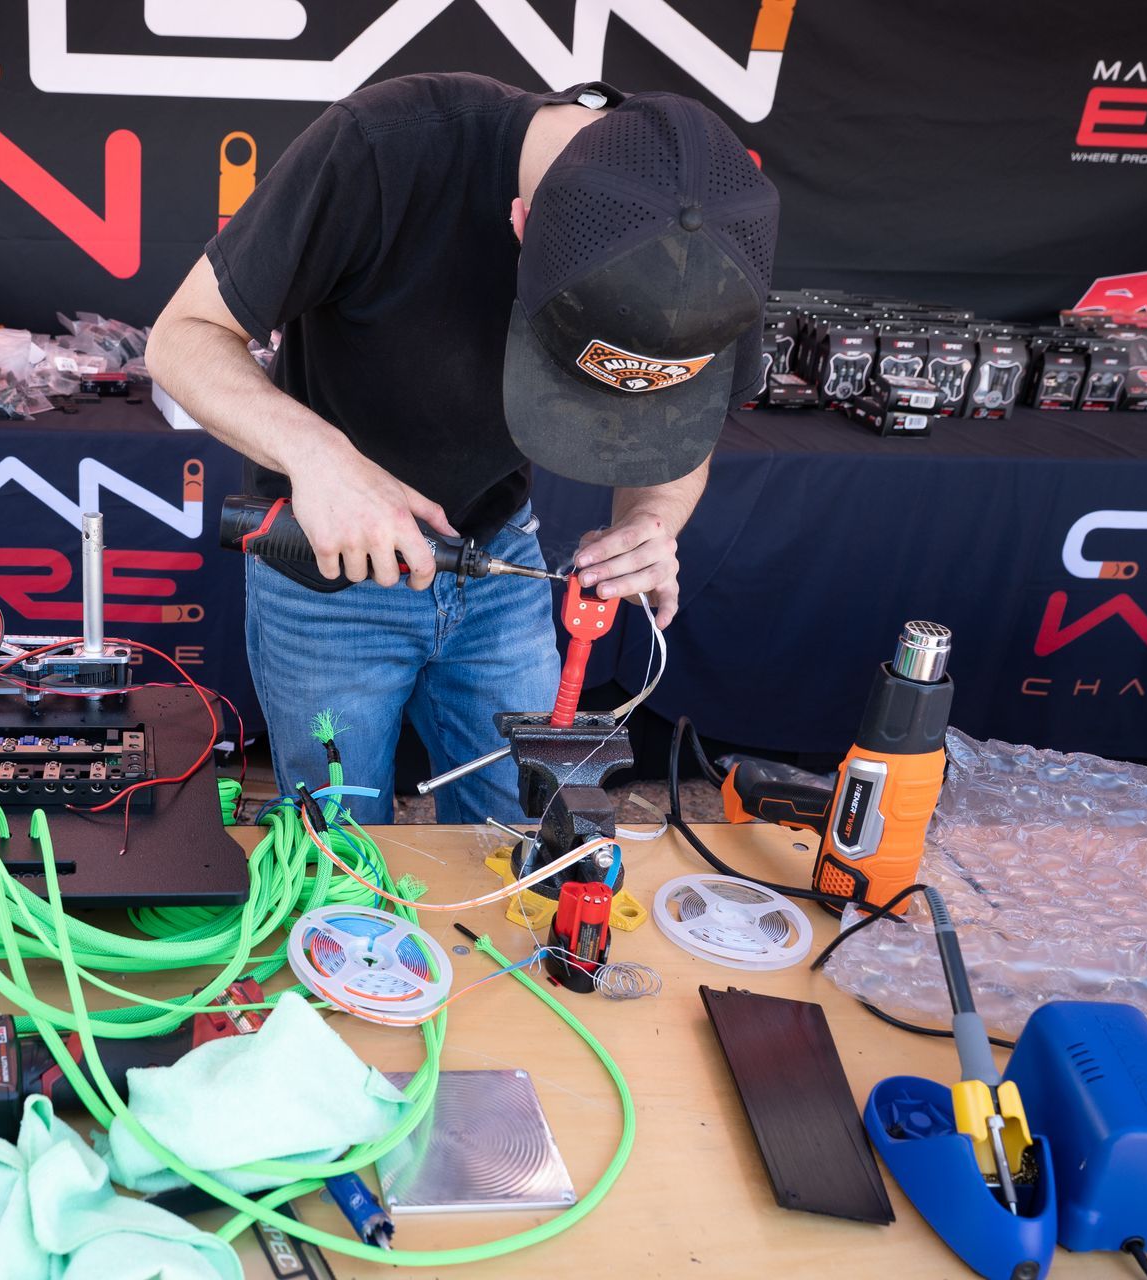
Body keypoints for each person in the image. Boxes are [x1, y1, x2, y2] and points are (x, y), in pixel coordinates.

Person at [146, 74, 777, 823]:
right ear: (519, 224)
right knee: (341, 850)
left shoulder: (707, 237)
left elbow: (683, 422)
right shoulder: (383, 150)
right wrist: (322, 460)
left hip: (501, 558)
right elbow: (180, 341)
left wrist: (653, 520)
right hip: (328, 568)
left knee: (521, 833)